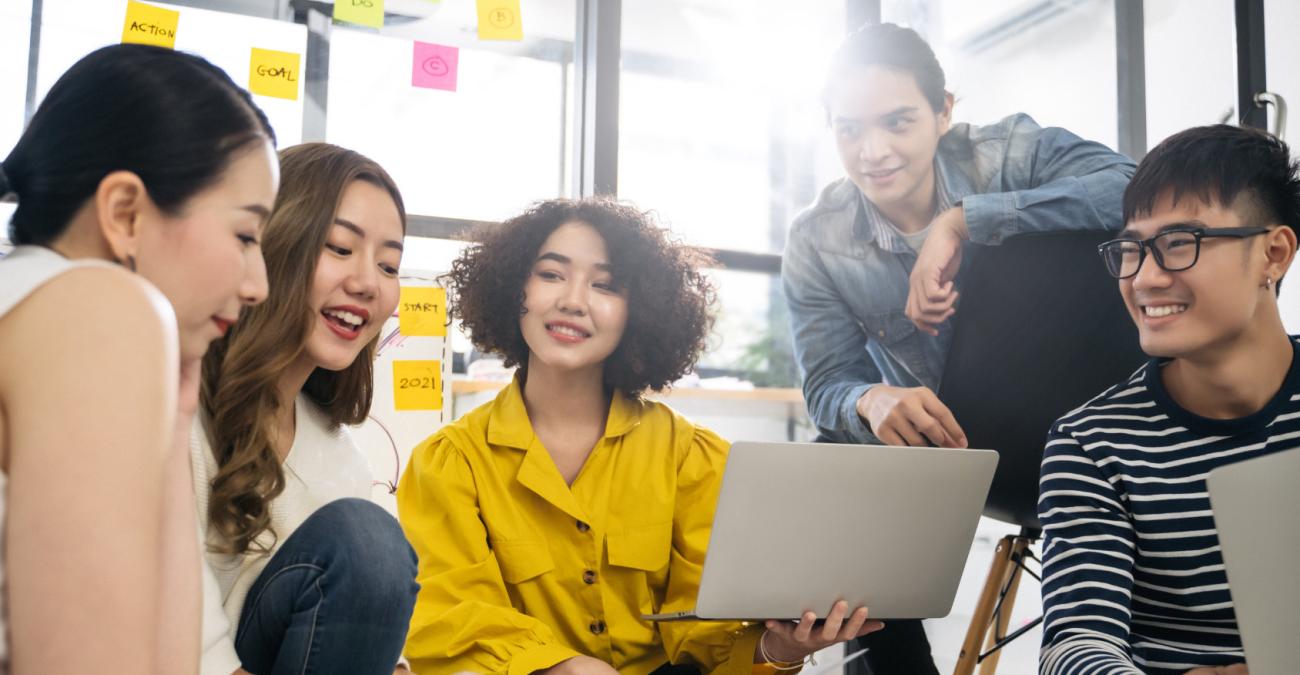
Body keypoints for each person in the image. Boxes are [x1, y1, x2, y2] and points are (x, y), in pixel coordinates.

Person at [779, 22, 1136, 673]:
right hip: (952, 444)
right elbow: (827, 379)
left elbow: (1134, 187)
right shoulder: (815, 237)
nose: (872, 152)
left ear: (944, 111)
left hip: (1082, 426)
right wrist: (871, 399)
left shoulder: (1003, 155)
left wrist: (968, 220)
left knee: (1039, 244)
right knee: (840, 456)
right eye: (849, 129)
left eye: (897, 121)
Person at [397, 198, 882, 674]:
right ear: (512, 288)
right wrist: (563, 667)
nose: (573, 301)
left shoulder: (691, 458)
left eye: (605, 285)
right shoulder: (449, 463)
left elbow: (714, 639)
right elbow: (454, 623)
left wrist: (780, 648)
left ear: (639, 310)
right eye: (550, 274)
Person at [0, 44, 276, 673]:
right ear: (124, 213)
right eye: (244, 235)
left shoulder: (33, 297)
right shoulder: (95, 306)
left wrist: (174, 418)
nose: (258, 284)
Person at [1038, 125, 1298, 675]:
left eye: (1181, 243)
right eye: (1132, 249)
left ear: (1273, 255)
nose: (1145, 277)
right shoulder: (1090, 444)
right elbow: (1075, 645)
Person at [193, 143, 418, 675]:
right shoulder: (173, 400)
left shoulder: (340, 458)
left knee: (371, 541)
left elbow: (368, 616)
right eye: (339, 247)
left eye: (389, 264)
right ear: (273, 245)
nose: (367, 283)